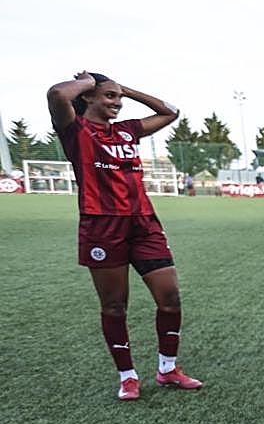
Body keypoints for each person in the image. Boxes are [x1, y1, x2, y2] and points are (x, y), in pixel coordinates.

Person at [47, 70, 202, 401]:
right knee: (115, 305)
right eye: (110, 96)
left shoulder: (127, 130)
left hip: (144, 223)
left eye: (119, 97)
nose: (117, 103)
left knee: (170, 298)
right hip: (102, 225)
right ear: (88, 96)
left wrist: (126, 89)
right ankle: (127, 377)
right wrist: (89, 81)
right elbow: (57, 94)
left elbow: (170, 111)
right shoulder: (76, 130)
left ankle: (167, 368)